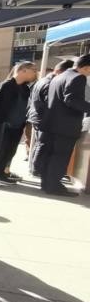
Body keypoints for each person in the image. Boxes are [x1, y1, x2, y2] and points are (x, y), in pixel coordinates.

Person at [39, 54, 90, 197]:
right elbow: (72, 100)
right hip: (65, 127)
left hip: (51, 125)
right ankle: (54, 187)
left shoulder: (59, 76)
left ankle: (47, 184)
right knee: (60, 157)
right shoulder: (79, 78)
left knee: (50, 155)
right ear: (87, 67)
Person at [0, 62, 38, 185]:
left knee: (9, 151)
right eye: (33, 70)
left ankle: (0, 173)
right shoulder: (4, 86)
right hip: (2, 126)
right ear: (23, 70)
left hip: (17, 126)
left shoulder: (25, 89)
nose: (35, 73)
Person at [28, 59, 74, 177]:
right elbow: (50, 103)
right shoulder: (50, 83)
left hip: (38, 116)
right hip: (44, 117)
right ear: (61, 71)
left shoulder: (44, 80)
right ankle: (37, 170)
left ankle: (36, 169)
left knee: (41, 143)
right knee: (43, 144)